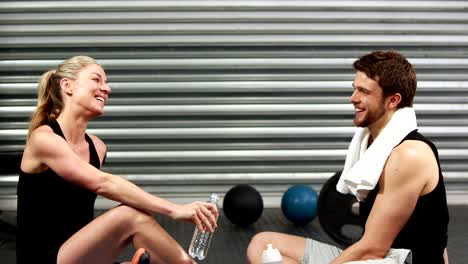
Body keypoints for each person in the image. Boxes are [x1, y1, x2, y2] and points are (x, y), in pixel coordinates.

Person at [246, 51, 449, 264]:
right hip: (377, 257)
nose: (353, 98)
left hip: (399, 260)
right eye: (354, 89)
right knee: (262, 245)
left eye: (364, 91)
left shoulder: (409, 154)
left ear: (393, 100)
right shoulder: (373, 144)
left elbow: (372, 248)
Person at [16, 55, 218, 264]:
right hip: (44, 258)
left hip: (78, 254)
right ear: (68, 86)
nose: (107, 89)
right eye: (96, 80)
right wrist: (175, 209)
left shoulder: (97, 147)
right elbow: (103, 184)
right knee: (129, 215)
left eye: (107, 83)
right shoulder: (44, 139)